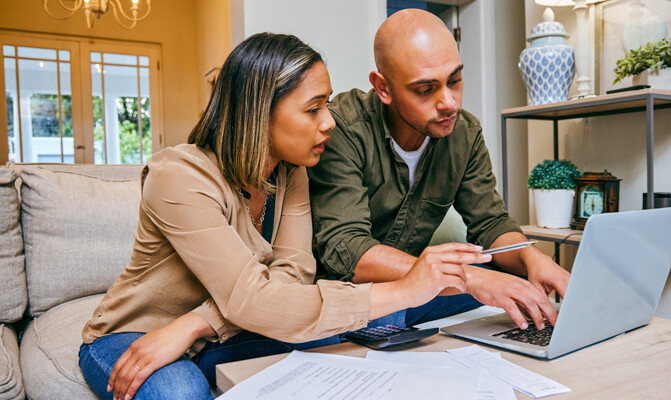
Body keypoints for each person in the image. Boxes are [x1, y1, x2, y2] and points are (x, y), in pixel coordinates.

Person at [78, 32, 488, 400]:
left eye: (327, 105)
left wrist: (195, 325)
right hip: (141, 333)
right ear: (259, 112)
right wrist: (406, 290)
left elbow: (293, 278)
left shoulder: (291, 173)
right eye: (313, 109)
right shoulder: (178, 176)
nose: (329, 122)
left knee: (353, 342)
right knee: (179, 391)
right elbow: (256, 299)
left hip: (219, 332)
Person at [307, 9, 571, 334]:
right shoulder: (342, 128)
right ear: (383, 87)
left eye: (455, 80)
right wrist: (467, 277)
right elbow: (348, 248)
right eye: (425, 89)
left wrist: (531, 256)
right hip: (354, 293)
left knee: (519, 283)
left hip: (422, 290)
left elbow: (490, 223)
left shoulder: (464, 133)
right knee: (391, 316)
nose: (449, 103)